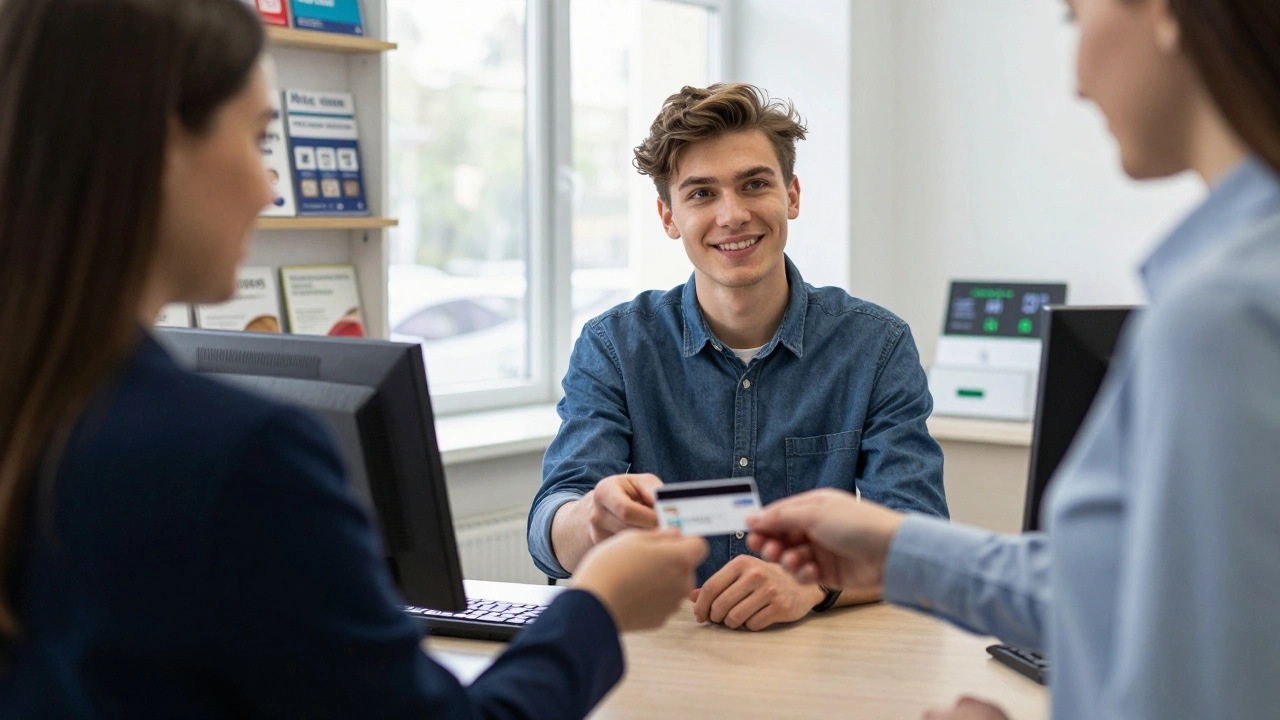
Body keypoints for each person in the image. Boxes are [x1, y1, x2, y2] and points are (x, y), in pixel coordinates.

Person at [0, 1, 707, 717]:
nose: (268, 186)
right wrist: (597, 604)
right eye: (256, 139)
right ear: (156, 150)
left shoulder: (47, 413)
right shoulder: (242, 457)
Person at [746, 0, 1280, 717]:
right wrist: (899, 548)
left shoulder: (1223, 313)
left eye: (1072, 18)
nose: (1077, 80)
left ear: (1161, 13)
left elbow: (1210, 687)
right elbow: (1126, 592)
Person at [528, 83, 948, 631]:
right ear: (668, 216)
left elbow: (920, 540)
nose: (733, 215)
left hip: (814, 655)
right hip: (665, 651)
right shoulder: (615, 346)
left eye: (755, 184)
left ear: (791, 196)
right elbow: (549, 528)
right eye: (701, 193)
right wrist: (591, 518)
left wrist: (813, 586)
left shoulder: (876, 346)